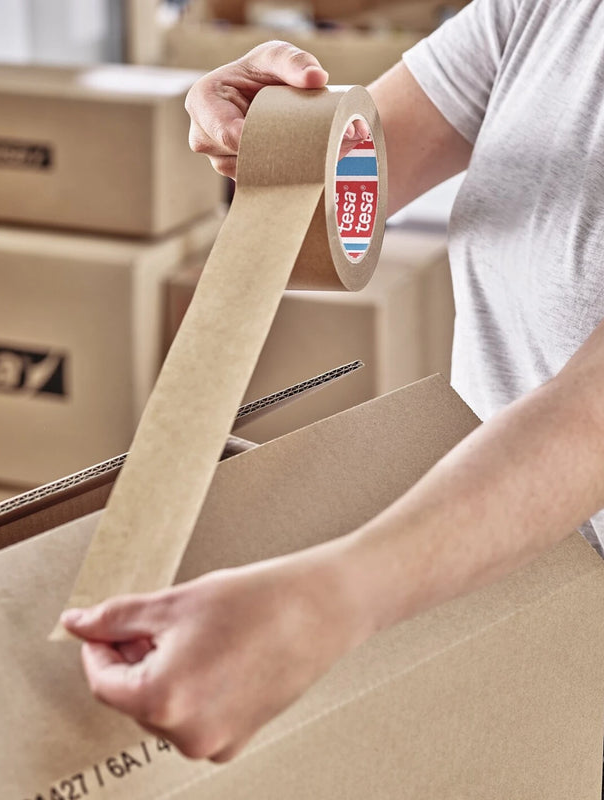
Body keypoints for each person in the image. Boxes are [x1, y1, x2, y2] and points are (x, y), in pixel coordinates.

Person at [61, 0, 604, 765]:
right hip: (489, 578)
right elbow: (337, 192)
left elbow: (591, 423)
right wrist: (268, 133)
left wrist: (322, 607)